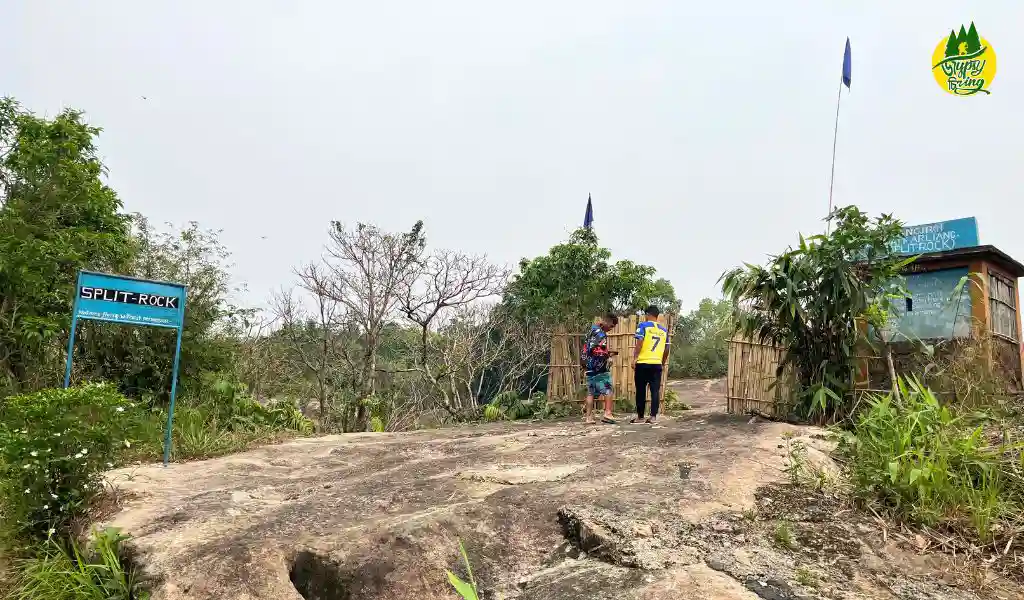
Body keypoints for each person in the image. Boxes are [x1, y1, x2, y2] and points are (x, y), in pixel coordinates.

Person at [631, 305, 669, 425]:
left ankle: (640, 417)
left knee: (641, 390)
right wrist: (662, 362)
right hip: (656, 364)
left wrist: (635, 358)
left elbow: (640, 343)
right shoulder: (664, 330)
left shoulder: (643, 326)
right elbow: (667, 348)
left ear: (647, 314)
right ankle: (653, 417)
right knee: (655, 391)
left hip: (643, 363)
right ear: (657, 316)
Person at [581, 313, 619, 424]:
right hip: (599, 367)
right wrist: (608, 356)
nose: (611, 329)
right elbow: (598, 351)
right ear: (606, 322)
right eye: (611, 326)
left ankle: (588, 418)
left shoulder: (591, 331)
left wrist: (584, 364)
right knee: (608, 388)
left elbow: (586, 349)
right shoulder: (601, 334)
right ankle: (607, 413)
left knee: (591, 392)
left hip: (589, 366)